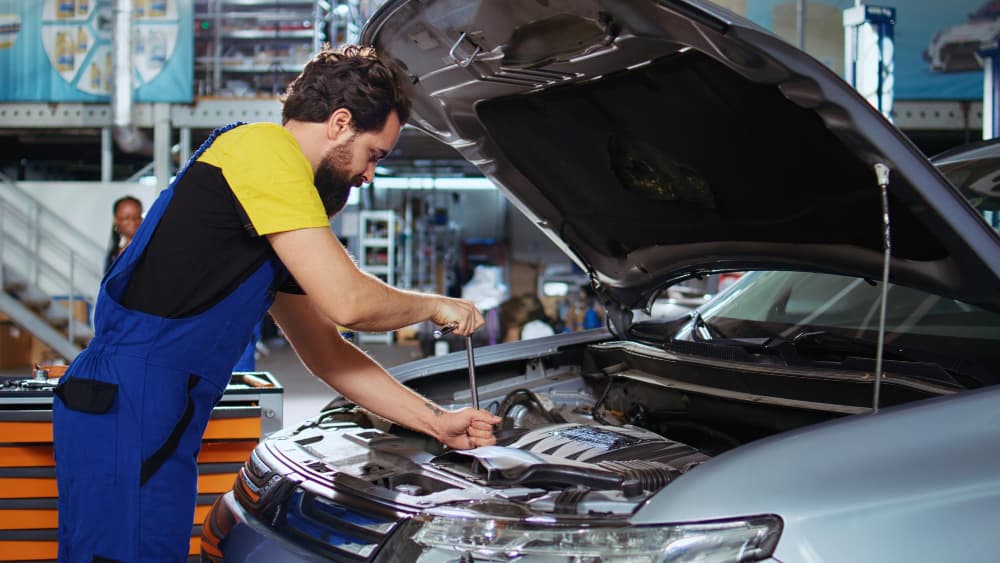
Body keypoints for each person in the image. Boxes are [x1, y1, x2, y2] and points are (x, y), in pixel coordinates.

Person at [52, 44, 500, 562]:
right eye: (373, 155)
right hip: (128, 405)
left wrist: (435, 421)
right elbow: (348, 302)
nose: (369, 175)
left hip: (157, 410)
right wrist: (431, 305)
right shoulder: (263, 153)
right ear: (339, 123)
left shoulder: (279, 203)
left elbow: (327, 353)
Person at [104, 195, 143, 272]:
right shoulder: (114, 254)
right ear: (116, 220)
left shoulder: (147, 249)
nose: (133, 222)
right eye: (127, 218)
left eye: (137, 217)